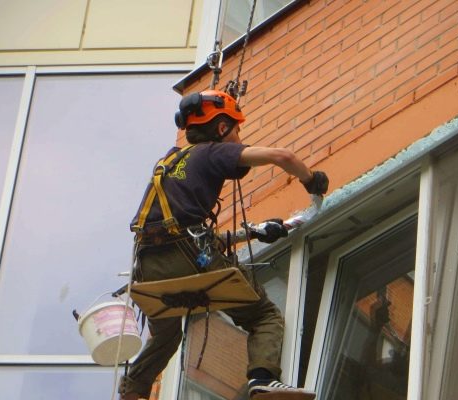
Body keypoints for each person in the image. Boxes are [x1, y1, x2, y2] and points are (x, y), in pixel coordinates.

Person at [119, 89, 327, 400]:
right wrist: (312, 180)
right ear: (220, 128)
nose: (239, 136)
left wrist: (257, 232)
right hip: (185, 256)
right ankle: (263, 379)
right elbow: (282, 156)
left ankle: (132, 392)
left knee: (166, 336)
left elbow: (191, 235)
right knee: (263, 316)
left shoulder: (169, 162)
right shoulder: (212, 152)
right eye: (237, 129)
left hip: (148, 266)